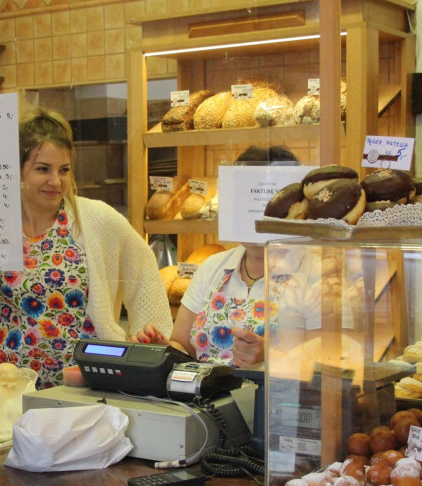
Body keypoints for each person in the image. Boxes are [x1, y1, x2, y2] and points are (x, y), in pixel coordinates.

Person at [0, 107, 172, 388]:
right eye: (43, 169)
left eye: (64, 170)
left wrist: (147, 339)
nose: (56, 181)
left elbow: (143, 272)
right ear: (17, 170)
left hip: (86, 387)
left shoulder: (97, 219)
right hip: (12, 389)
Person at [140, 146, 357, 368]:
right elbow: (183, 346)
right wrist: (162, 348)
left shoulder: (319, 275)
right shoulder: (213, 267)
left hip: (272, 402)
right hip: (203, 401)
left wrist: (270, 358)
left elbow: (336, 364)